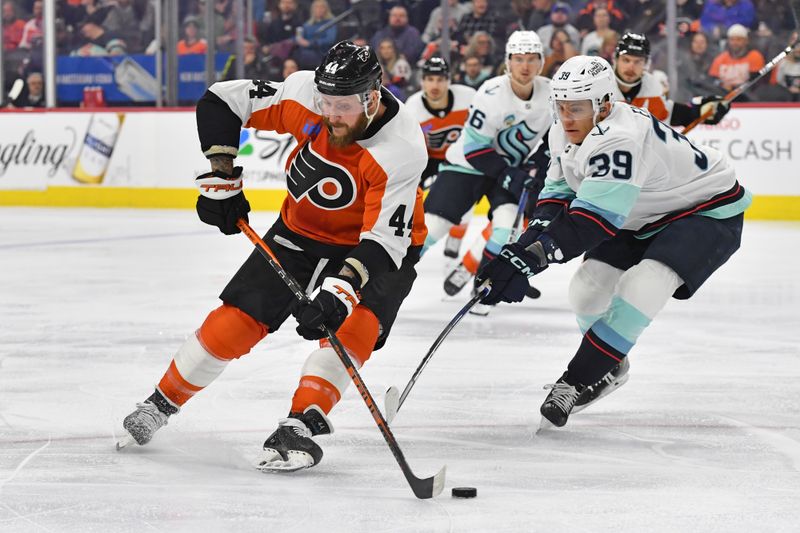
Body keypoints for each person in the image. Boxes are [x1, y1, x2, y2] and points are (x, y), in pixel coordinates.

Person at [119, 41, 428, 472]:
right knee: (236, 320)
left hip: (375, 248)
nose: (330, 114)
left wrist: (340, 290)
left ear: (372, 97)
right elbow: (222, 100)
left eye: (342, 106)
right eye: (325, 102)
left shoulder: (401, 147)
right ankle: (161, 402)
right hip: (300, 231)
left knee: (351, 328)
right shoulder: (304, 93)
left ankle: (301, 423)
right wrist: (222, 172)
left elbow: (382, 242)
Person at [477, 55, 751, 428]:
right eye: (560, 107)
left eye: (576, 108)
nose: (567, 117)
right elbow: (558, 193)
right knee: (586, 292)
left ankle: (575, 380)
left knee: (642, 286)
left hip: (704, 210)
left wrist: (532, 258)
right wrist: (523, 248)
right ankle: (611, 365)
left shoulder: (619, 138)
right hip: (643, 210)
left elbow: (590, 222)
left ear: (604, 105)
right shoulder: (564, 128)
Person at [421, 31, 552, 312]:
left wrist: (537, 168)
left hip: (509, 168)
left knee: (506, 229)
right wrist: (510, 174)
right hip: (467, 166)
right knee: (433, 229)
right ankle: (386, 276)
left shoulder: (550, 93)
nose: (525, 66)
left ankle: (484, 284)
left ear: (541, 62)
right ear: (508, 62)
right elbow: (475, 149)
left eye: (531, 59)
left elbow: (553, 140)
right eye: (518, 59)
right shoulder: (491, 92)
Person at [612, 32, 730, 128]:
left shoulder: (651, 86)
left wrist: (699, 113)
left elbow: (667, 112)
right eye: (626, 60)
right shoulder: (601, 83)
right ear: (616, 60)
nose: (631, 67)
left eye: (638, 61)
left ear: (646, 63)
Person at [404, 56, 476, 189]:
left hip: (466, 156)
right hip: (430, 162)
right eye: (430, 79)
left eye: (440, 80)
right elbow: (412, 152)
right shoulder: (412, 108)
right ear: (422, 82)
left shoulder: (469, 97)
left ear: (449, 81)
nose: (435, 85)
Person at [708, 24, 765, 95]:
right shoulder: (720, 58)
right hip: (723, 94)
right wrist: (721, 84)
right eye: (732, 39)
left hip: (746, 95)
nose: (735, 43)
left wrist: (734, 88)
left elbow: (756, 81)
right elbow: (712, 79)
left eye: (739, 39)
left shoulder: (754, 56)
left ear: (746, 41)